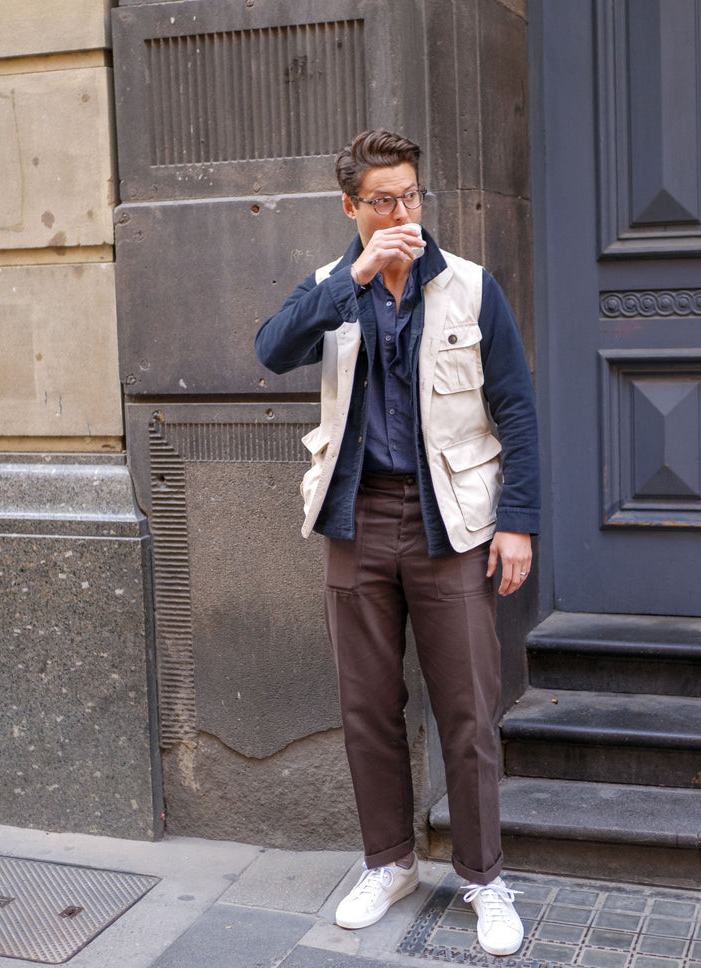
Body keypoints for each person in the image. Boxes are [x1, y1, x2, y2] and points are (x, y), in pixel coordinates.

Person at [255, 129, 539, 957]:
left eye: (411, 195)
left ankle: (484, 879)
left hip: (451, 524)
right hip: (356, 519)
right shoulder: (329, 290)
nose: (402, 212)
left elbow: (514, 408)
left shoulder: (470, 288)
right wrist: (349, 276)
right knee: (367, 710)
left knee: (467, 710)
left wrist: (515, 521)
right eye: (382, 200)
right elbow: (272, 352)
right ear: (351, 208)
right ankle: (389, 864)